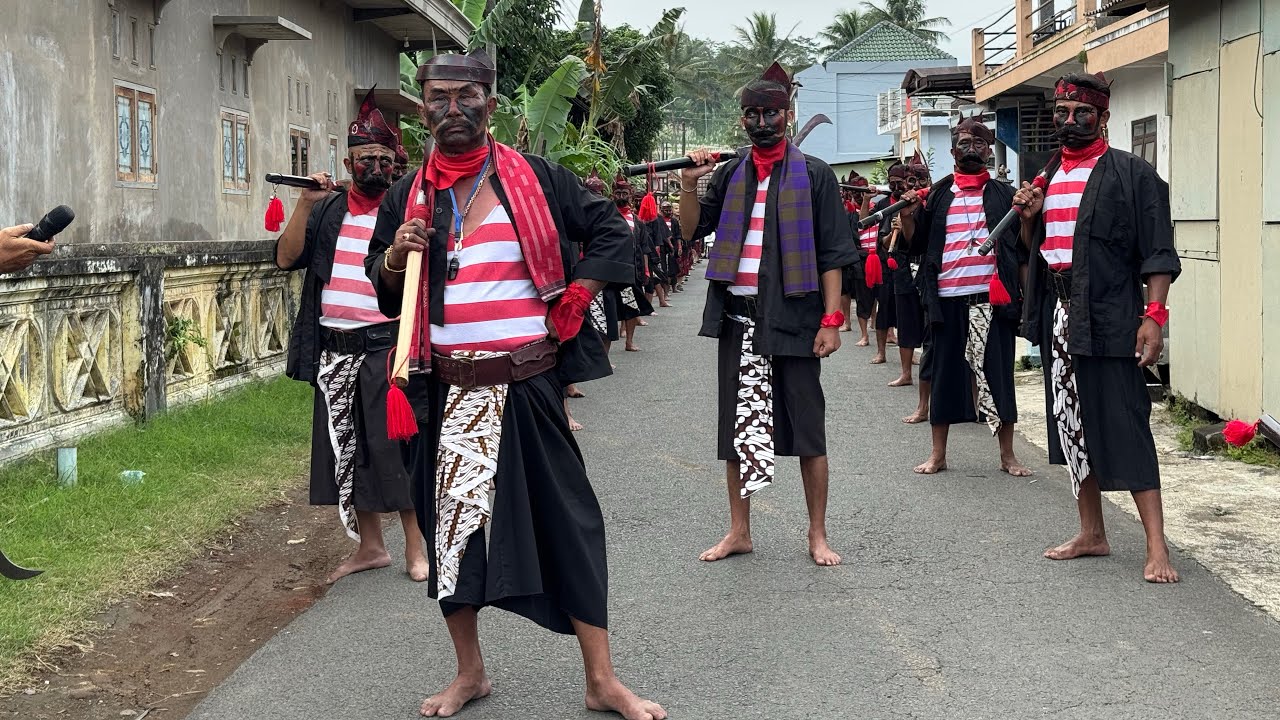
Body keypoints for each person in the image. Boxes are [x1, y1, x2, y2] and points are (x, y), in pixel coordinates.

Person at [365, 49, 665, 719]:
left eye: (464, 98)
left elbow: (613, 233)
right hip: (444, 392)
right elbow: (385, 292)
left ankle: (601, 680)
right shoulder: (406, 195)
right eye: (437, 99)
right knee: (452, 536)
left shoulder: (538, 179)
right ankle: (469, 673)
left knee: (572, 527)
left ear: (490, 105)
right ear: (422, 110)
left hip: (526, 387)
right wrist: (394, 255)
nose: (451, 111)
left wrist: (579, 290)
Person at [679, 62, 856, 567]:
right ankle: (739, 531)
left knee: (807, 431)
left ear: (787, 115)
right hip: (739, 318)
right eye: (752, 114)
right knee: (737, 430)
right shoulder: (731, 173)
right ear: (742, 120)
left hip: (796, 320)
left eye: (771, 113)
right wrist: (690, 184)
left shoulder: (815, 175)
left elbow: (833, 253)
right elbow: (692, 231)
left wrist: (831, 320)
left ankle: (817, 534)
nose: (762, 122)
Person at [1012, 72, 1180, 583]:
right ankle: (1092, 532)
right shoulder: (1047, 176)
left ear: (1103, 117)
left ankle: (1157, 548)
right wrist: (1026, 217)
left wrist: (1153, 316)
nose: (1068, 122)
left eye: (1080, 113)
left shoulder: (1133, 175)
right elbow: (1036, 249)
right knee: (1071, 422)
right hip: (1061, 316)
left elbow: (1157, 252)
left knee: (1127, 421)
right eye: (1060, 114)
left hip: (1111, 316)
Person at [274, 91, 429, 586]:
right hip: (334, 346)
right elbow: (285, 258)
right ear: (349, 162)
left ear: (396, 163)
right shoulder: (328, 209)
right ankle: (370, 547)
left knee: (394, 446)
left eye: (385, 159)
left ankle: (416, 547)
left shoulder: (406, 208)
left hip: (387, 344)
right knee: (347, 446)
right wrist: (304, 202)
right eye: (366, 159)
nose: (376, 166)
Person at [899, 117, 1031, 476]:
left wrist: (1022, 302)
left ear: (989, 151)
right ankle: (937, 455)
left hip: (992, 301)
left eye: (978, 145)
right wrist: (909, 215)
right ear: (952, 150)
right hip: (947, 302)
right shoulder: (939, 194)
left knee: (1000, 377)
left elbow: (1023, 248)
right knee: (944, 379)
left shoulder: (1006, 195)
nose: (971, 150)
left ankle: (1008, 456)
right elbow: (917, 243)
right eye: (963, 144)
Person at [612, 174, 655, 348]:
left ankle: (629, 341)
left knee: (630, 306)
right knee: (609, 308)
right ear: (612, 195)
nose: (621, 197)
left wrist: (645, 271)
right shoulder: (606, 216)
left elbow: (644, 249)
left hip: (630, 272)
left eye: (625, 193)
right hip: (609, 272)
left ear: (630, 196)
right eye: (618, 193)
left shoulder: (637, 222)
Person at [870, 163, 907, 364]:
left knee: (906, 311)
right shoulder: (884, 204)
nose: (895, 187)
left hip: (908, 265)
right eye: (892, 183)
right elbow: (874, 231)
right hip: (887, 264)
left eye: (899, 182)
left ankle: (907, 354)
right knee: (884, 308)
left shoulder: (916, 201)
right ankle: (881, 352)